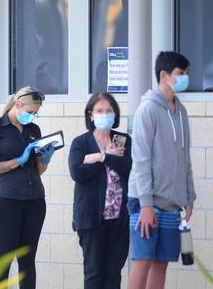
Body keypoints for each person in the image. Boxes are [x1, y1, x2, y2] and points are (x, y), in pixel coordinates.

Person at [127, 51, 196, 289]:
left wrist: (188, 196)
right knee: (142, 261)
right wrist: (146, 205)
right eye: (180, 74)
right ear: (164, 75)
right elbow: (141, 159)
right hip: (145, 201)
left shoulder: (181, 111)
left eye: (187, 74)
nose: (185, 78)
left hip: (171, 201)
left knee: (161, 263)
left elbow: (185, 157)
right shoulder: (147, 110)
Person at [0, 86, 55, 289]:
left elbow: (37, 170)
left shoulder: (34, 130)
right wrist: (18, 160)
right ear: (18, 104)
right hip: (7, 201)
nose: (32, 116)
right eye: (30, 112)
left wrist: (45, 160)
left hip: (35, 200)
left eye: (36, 113)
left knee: (27, 260)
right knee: (4, 259)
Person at [68, 92, 131, 289]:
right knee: (94, 273)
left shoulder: (121, 140)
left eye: (109, 110)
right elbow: (77, 173)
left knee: (113, 274)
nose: (105, 114)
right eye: (100, 110)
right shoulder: (81, 142)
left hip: (119, 219)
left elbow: (128, 167)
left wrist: (100, 158)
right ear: (91, 115)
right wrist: (106, 155)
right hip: (90, 220)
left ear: (115, 114)